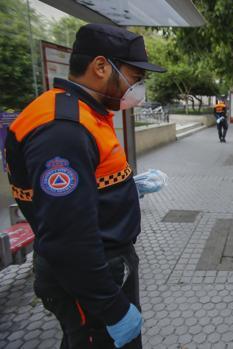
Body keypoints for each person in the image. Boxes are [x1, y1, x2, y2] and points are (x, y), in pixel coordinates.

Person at [4, 23, 165, 348]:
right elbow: (68, 238)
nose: (137, 88)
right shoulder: (64, 130)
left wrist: (124, 188)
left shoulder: (81, 114)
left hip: (102, 265)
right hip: (91, 276)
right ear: (101, 66)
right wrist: (112, 308)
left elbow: (79, 193)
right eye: (135, 77)